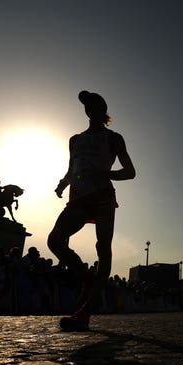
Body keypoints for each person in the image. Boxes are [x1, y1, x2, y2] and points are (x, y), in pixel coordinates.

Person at [48, 90, 136, 331]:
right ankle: (86, 277)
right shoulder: (74, 140)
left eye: (92, 105)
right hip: (77, 198)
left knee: (102, 249)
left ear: (101, 110)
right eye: (85, 105)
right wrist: (63, 183)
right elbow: (72, 167)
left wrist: (106, 174)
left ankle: (86, 311)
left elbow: (130, 171)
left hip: (102, 198)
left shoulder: (114, 138)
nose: (88, 109)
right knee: (54, 241)